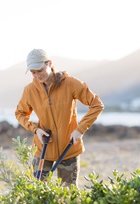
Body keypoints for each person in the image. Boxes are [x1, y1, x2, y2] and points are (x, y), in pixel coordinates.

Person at [15, 48, 104, 187]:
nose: (37, 75)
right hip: (42, 150)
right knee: (38, 195)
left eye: (40, 70)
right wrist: (35, 129)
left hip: (68, 149)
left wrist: (80, 130)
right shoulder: (30, 90)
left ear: (49, 63)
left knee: (69, 196)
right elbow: (20, 113)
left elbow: (97, 105)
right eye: (33, 73)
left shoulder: (70, 84)